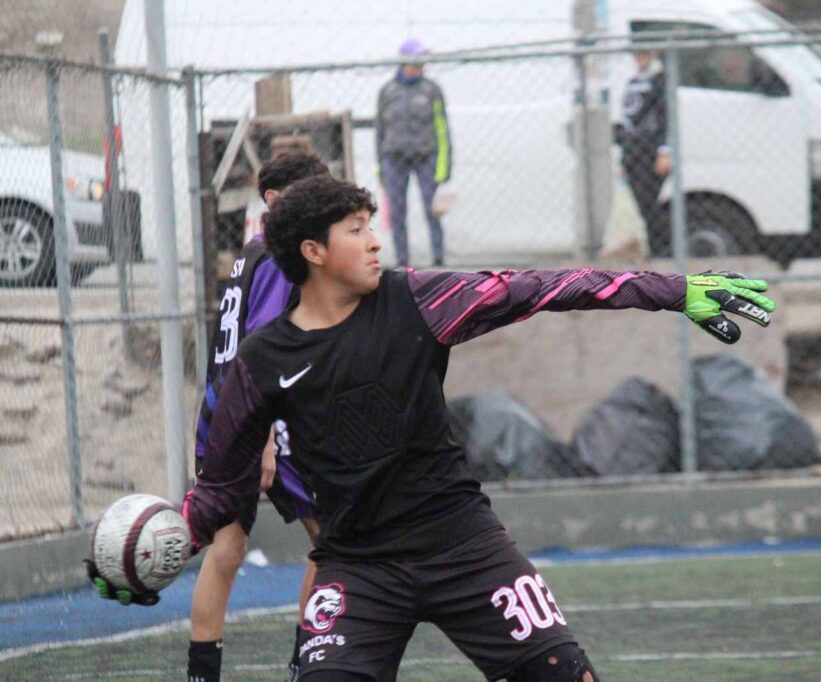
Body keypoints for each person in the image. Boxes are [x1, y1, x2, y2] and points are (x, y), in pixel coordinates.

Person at [102, 174, 775, 680]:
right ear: (312, 250)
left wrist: (675, 291)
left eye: (372, 223)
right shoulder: (263, 362)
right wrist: (155, 551)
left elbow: (547, 288)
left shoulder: (419, 301)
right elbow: (220, 491)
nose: (374, 240)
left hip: (465, 548)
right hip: (358, 568)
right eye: (356, 229)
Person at [88, 152, 330, 682]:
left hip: (220, 412)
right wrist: (265, 438)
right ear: (274, 200)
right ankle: (309, 663)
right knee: (332, 541)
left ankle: (203, 673)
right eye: (311, 192)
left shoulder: (248, 255)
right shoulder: (276, 257)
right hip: (260, 421)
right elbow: (264, 350)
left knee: (229, 545)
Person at [375, 37, 452, 267]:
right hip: (394, 159)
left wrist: (443, 167)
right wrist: (380, 167)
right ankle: (402, 261)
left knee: (433, 209)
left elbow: (442, 130)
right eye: (415, 58)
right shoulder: (388, 91)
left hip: (426, 157)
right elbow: (380, 131)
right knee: (398, 211)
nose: (420, 64)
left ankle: (438, 258)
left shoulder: (431, 90)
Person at [618, 43, 673, 258]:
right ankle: (651, 248)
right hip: (632, 149)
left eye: (644, 53)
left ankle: (662, 251)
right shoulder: (634, 80)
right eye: (637, 54)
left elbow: (665, 117)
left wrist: (664, 151)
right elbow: (627, 118)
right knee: (640, 202)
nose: (639, 58)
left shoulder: (660, 79)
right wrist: (623, 158)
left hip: (651, 148)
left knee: (651, 201)